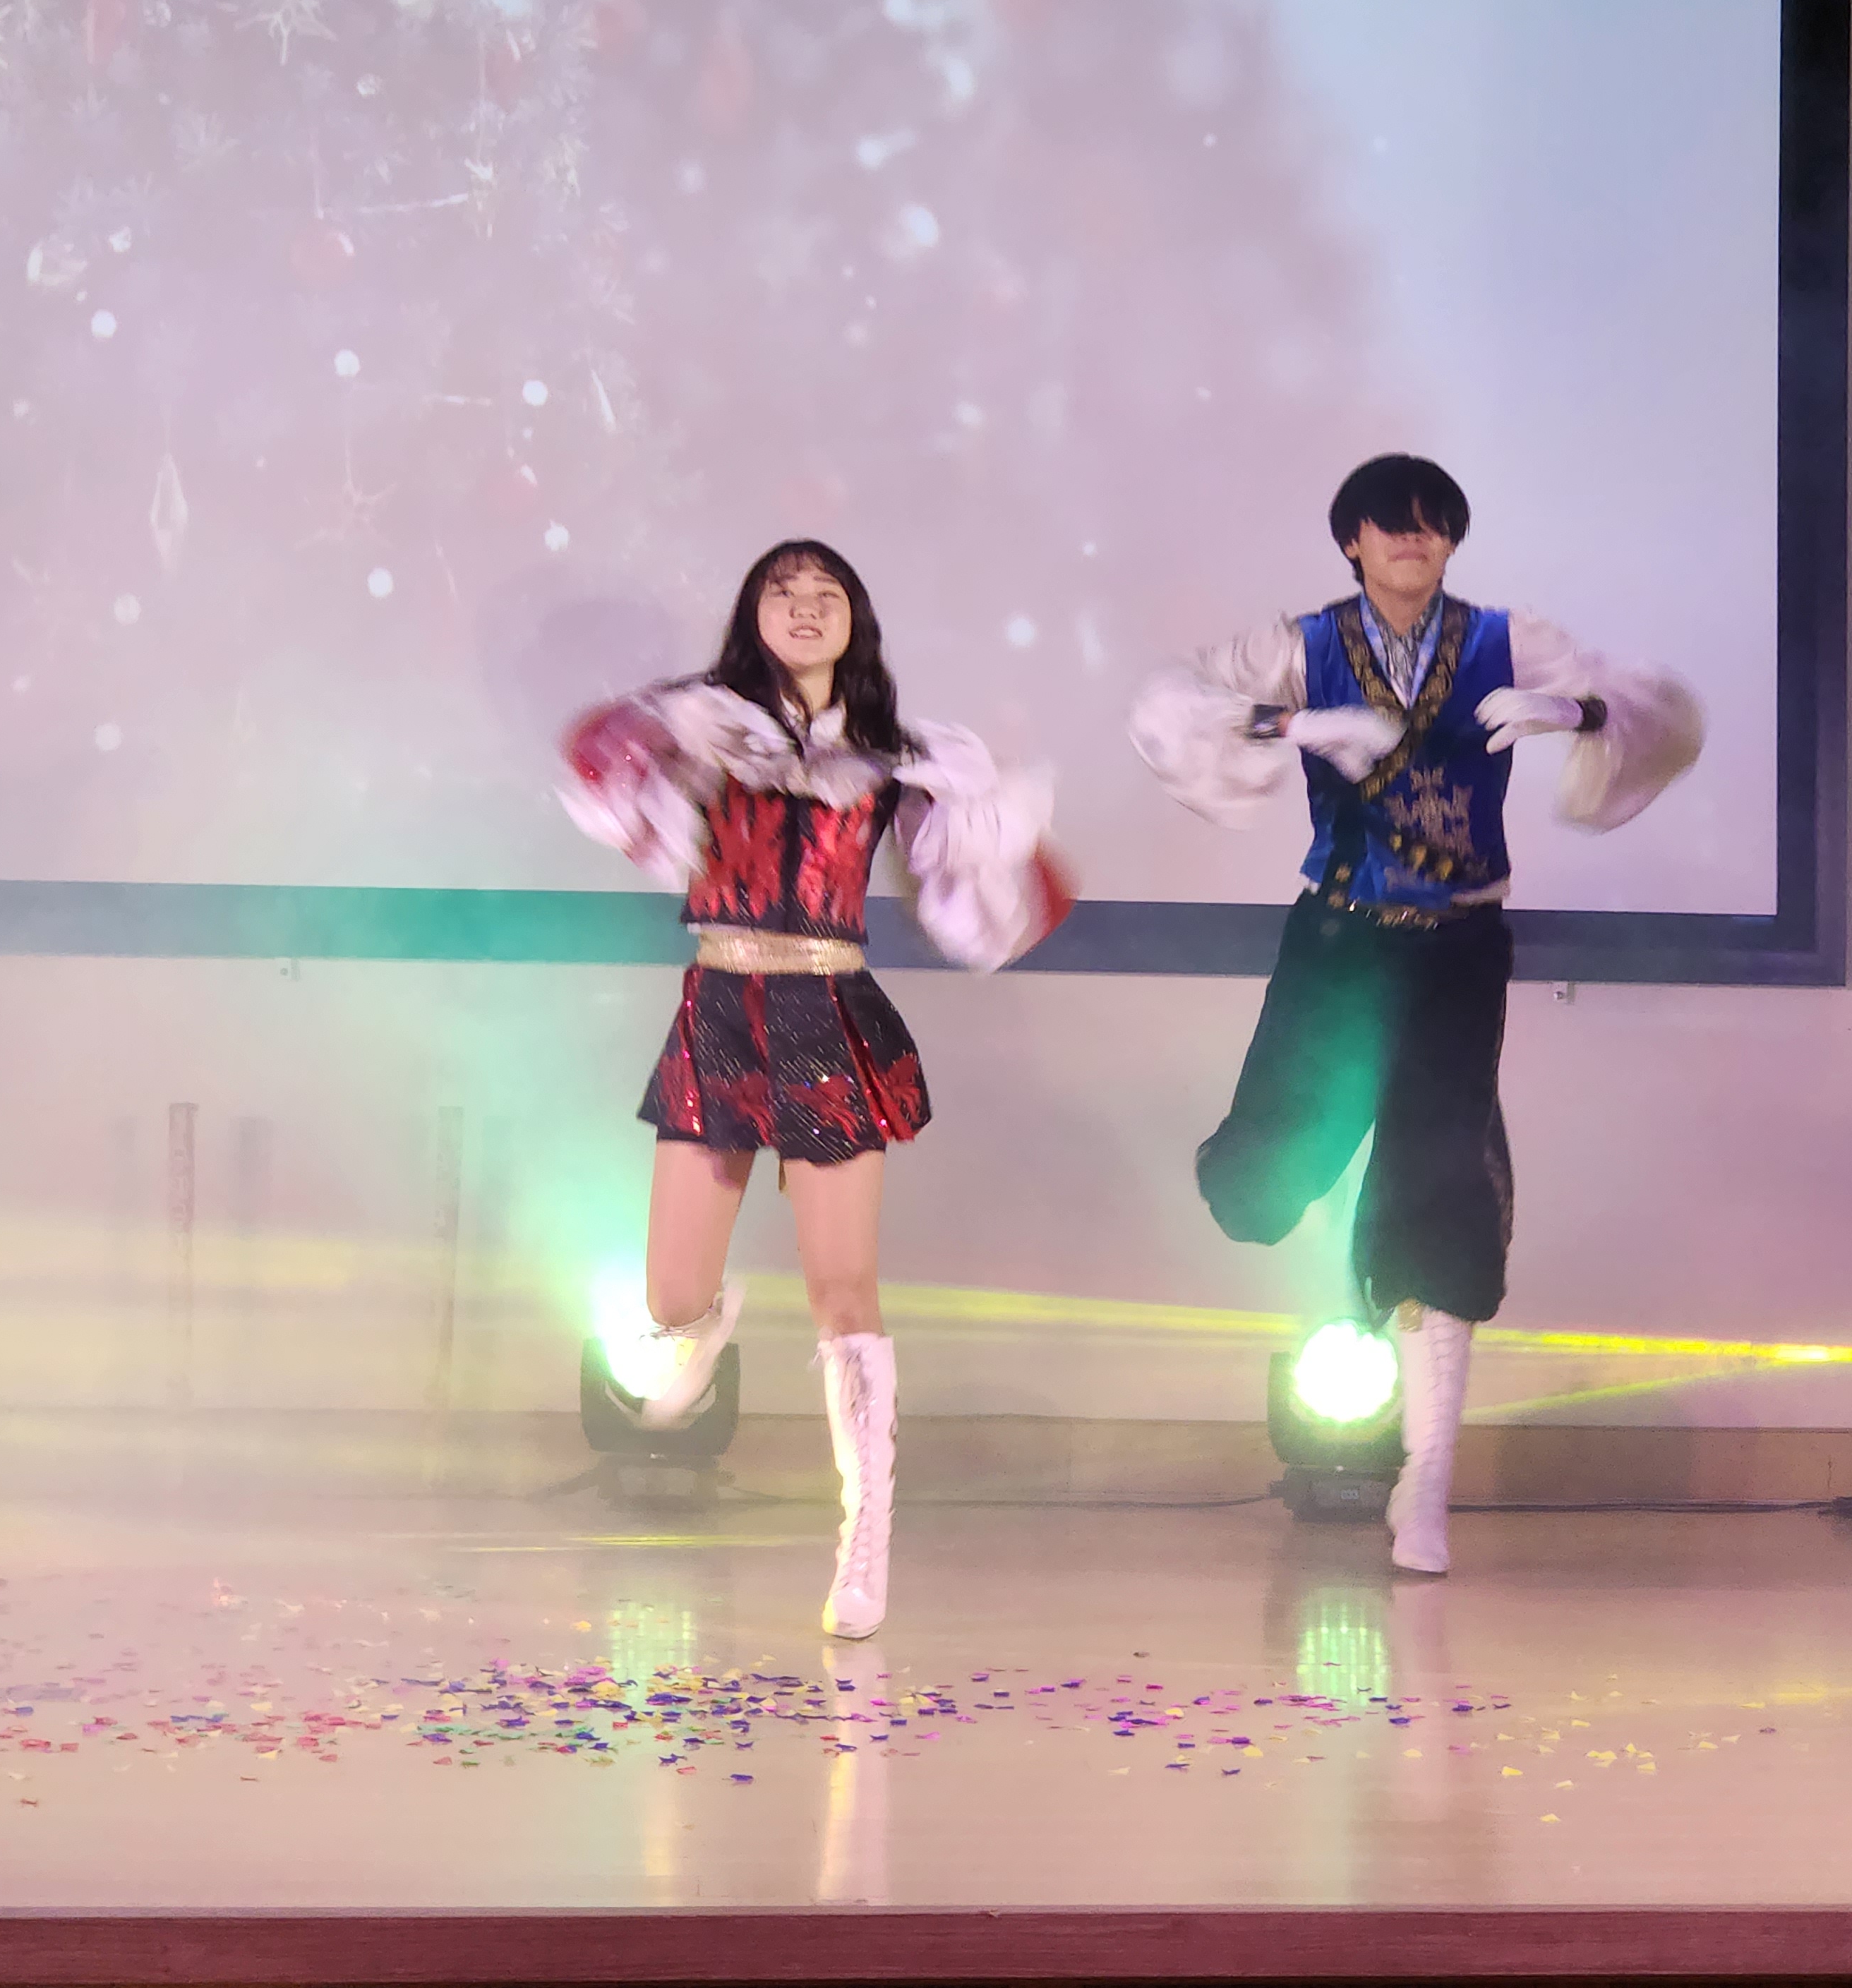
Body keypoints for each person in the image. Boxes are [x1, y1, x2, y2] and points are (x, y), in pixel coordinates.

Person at [1129, 454, 1704, 1576]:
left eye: (1434, 524)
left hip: (1459, 945)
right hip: (1340, 937)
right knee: (1261, 1177)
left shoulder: (1504, 638)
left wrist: (1572, 709)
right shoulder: (1303, 644)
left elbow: (1658, 709)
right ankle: (1317, 1230)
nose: (1413, 539)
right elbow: (1167, 706)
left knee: (1438, 1186)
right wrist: (1295, 727)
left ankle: (1427, 1476)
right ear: (1353, 540)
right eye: (1392, 524)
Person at [559, 539, 1070, 1639]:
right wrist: (662, 735)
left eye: (824, 594)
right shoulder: (701, 728)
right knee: (669, 1306)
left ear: (854, 620)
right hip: (718, 1007)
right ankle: (699, 1331)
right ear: (753, 613)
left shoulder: (892, 755)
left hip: (827, 1013)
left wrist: (1000, 847)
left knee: (845, 1291)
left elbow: (983, 883)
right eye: (781, 592)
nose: (803, 608)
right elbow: (601, 766)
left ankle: (864, 1539)